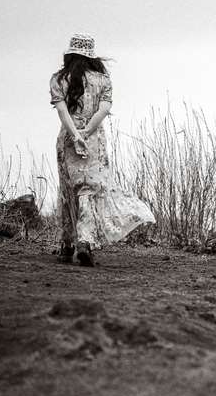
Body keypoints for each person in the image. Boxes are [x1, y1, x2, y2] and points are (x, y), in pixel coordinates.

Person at [51, 33, 155, 266]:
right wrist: (86, 133)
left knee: (68, 191)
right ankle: (85, 242)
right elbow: (104, 110)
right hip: (95, 141)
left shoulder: (59, 79)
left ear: (70, 53)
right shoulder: (103, 80)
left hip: (68, 140)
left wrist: (76, 135)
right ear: (91, 55)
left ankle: (67, 246)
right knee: (88, 189)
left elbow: (62, 112)